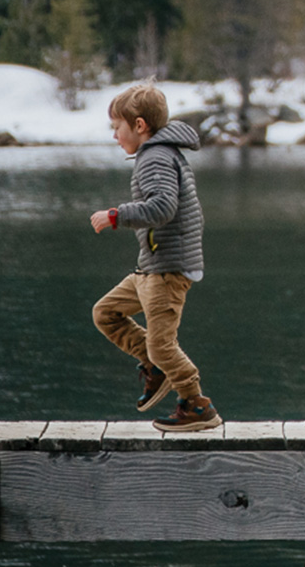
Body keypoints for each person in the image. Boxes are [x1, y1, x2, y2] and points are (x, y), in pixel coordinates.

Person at [88, 83, 221, 433]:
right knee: (106, 313)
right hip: (152, 266)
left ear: (140, 126)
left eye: (118, 127)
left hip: (167, 269)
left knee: (163, 345)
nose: (115, 135)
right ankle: (154, 365)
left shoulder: (155, 157)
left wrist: (116, 215)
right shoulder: (161, 153)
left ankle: (197, 405)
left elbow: (163, 207)